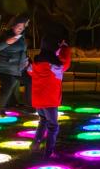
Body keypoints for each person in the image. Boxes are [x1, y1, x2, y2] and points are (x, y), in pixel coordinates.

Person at [28, 27, 71, 157]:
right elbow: (66, 63)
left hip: (38, 101)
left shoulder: (35, 64)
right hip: (50, 101)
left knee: (43, 121)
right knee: (53, 126)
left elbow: (29, 71)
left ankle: (36, 143)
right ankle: (49, 152)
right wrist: (65, 48)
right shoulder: (55, 67)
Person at [0, 15, 30, 110]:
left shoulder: (21, 36)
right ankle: (1, 108)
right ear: (13, 25)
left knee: (31, 81)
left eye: (22, 27)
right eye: (18, 27)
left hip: (18, 69)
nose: (20, 29)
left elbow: (23, 51)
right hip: (5, 69)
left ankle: (29, 104)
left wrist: (27, 60)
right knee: (8, 87)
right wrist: (7, 42)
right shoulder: (5, 35)